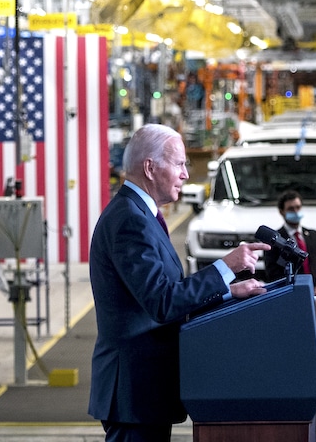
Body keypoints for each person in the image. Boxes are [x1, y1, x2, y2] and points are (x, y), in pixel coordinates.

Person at [88, 124, 270, 442]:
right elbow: (163, 302)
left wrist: (228, 292)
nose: (186, 174)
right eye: (180, 164)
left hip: (144, 391)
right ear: (150, 167)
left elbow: (167, 293)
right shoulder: (130, 220)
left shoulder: (141, 215)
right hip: (134, 390)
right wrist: (225, 266)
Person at [263, 190, 316, 413]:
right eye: (291, 209)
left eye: (298, 208)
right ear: (282, 212)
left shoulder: (313, 236)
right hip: (291, 306)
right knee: (294, 351)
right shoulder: (275, 241)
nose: (296, 212)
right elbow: (272, 273)